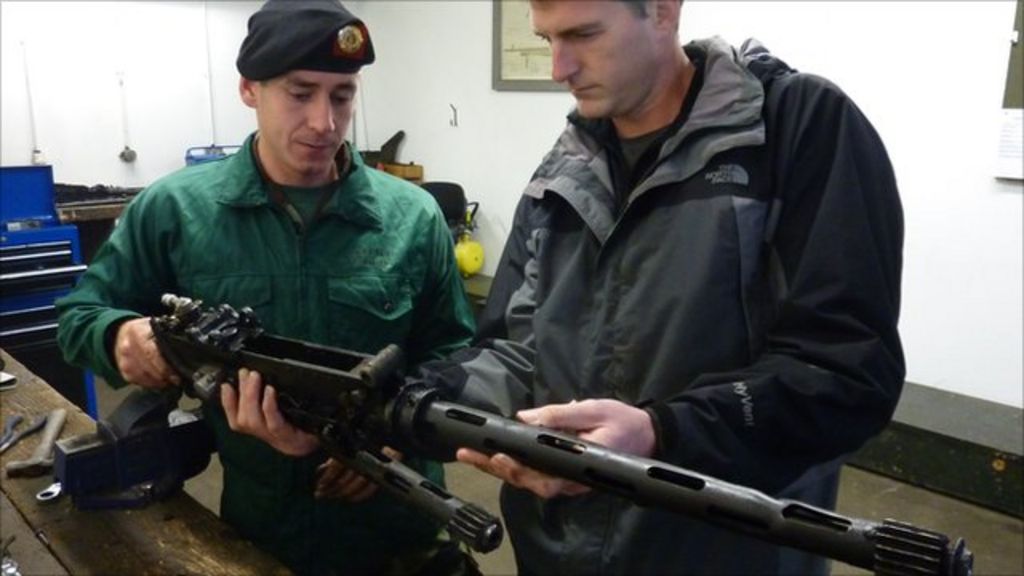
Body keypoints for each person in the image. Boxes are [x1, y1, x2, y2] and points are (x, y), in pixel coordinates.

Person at [227, 0, 905, 574]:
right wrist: (381, 414)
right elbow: (517, 353)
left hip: (719, 553)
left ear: (663, 10)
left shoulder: (795, 132)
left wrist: (661, 435)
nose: (559, 68)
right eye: (547, 38)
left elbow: (845, 374)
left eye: (583, 35)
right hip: (556, 551)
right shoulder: (565, 168)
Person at [55, 1, 476, 574]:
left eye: (343, 95)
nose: (324, 122)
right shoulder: (175, 210)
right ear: (249, 90)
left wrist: (393, 439)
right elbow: (80, 314)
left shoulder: (413, 217)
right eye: (300, 93)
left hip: (401, 529)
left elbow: (456, 355)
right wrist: (120, 338)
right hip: (262, 532)